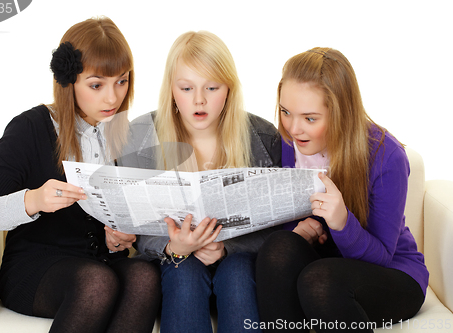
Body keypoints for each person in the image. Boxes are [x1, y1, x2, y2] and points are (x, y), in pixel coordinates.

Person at [0, 17, 161, 333]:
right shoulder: (31, 128)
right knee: (96, 282)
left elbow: (106, 229)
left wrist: (114, 240)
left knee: (144, 277)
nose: (112, 98)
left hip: (98, 264)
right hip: (36, 269)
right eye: (97, 85)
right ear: (69, 81)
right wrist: (33, 200)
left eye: (122, 81)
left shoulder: (124, 135)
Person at [111, 31, 282, 333]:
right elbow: (134, 224)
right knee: (184, 268)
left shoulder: (263, 136)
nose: (199, 100)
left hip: (239, 267)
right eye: (187, 88)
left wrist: (226, 247)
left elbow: (278, 227)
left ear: (229, 88)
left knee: (238, 270)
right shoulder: (138, 135)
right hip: (174, 268)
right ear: (171, 90)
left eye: (212, 87)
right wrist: (174, 247)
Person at [254, 47, 428, 332]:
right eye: (286, 112)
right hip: (325, 263)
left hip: (391, 274)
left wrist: (342, 223)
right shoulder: (288, 143)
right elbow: (287, 224)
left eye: (310, 118)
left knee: (320, 280)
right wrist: (297, 232)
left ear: (340, 112)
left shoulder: (387, 155)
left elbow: (383, 255)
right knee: (278, 248)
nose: (294, 129)